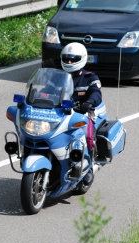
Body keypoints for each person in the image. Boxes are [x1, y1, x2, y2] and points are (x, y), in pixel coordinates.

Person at [60, 42, 103, 186]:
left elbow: (96, 93)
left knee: (87, 135)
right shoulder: (58, 77)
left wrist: (89, 102)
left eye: (73, 59)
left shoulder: (90, 77)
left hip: (82, 114)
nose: (69, 62)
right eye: (66, 59)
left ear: (82, 59)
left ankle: (89, 166)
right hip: (61, 113)